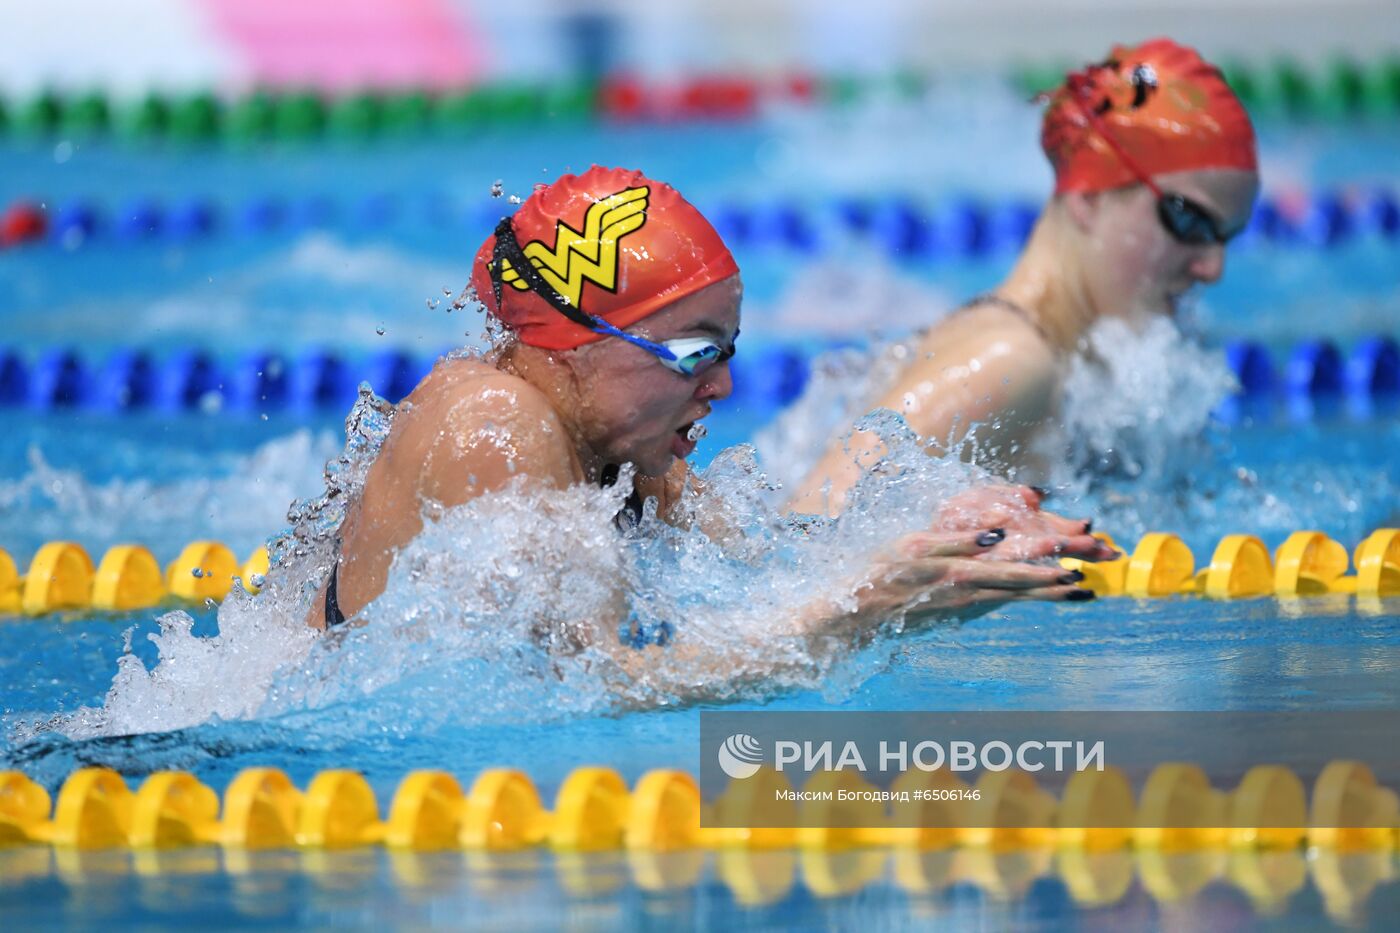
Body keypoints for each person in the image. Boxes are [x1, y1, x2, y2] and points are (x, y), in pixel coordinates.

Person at [311, 166, 1113, 679]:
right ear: (575, 345)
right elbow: (600, 683)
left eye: (728, 352)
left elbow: (770, 563)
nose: (724, 386)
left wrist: (932, 555)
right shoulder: (495, 423)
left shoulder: (622, 454)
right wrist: (859, 605)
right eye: (694, 353)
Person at [786, 39, 1260, 516]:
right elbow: (804, 535)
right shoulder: (1011, 362)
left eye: (1228, 235)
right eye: (1190, 221)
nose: (1212, 267)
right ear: (1090, 194)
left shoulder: (1067, 355)